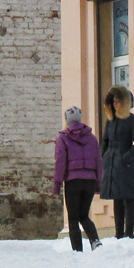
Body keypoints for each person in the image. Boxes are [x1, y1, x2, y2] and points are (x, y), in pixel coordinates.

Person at [53, 105, 102, 251]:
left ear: (67, 120)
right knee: (84, 215)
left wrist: (57, 184)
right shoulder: (92, 138)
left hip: (73, 181)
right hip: (89, 181)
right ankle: (95, 241)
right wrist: (98, 183)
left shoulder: (63, 138)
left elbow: (60, 162)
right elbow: (99, 162)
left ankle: (77, 251)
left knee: (73, 218)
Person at [100, 85, 134, 238]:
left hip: (126, 165)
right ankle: (118, 233)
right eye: (113, 101)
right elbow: (105, 141)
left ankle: (129, 233)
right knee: (117, 198)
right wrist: (103, 157)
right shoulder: (110, 121)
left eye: (118, 101)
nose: (115, 104)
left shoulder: (133, 120)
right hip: (111, 164)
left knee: (128, 198)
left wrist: (126, 157)